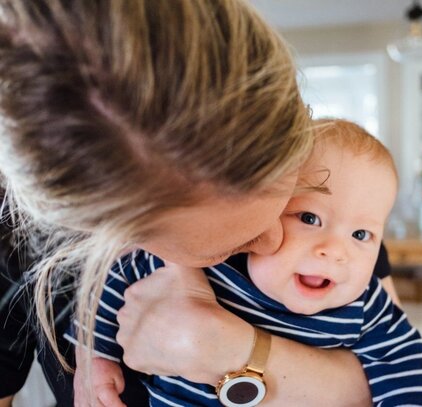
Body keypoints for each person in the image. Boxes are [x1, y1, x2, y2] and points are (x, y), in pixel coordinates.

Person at [0, 1, 395, 406]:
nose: (277, 238)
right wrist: (93, 347)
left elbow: (388, 372)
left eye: (291, 201)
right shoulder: (15, 247)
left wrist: (231, 350)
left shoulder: (335, 215)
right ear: (108, 234)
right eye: (233, 245)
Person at [71, 119, 422, 406]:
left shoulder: (365, 304)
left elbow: (405, 363)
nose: (335, 249)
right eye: (309, 219)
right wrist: (95, 357)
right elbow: (117, 278)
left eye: (361, 235)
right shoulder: (212, 260)